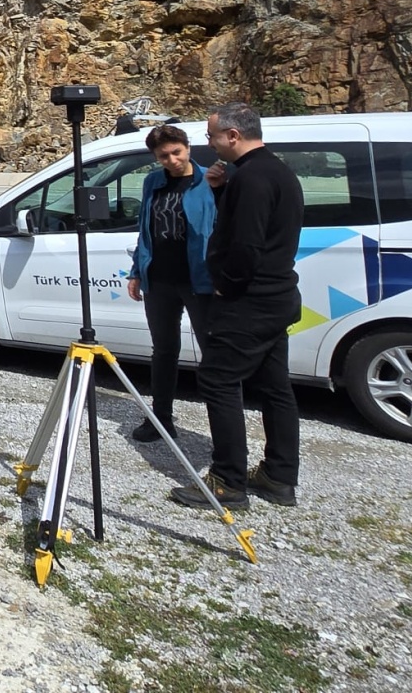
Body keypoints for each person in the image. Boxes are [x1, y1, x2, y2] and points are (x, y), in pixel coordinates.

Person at [169, 102, 303, 511]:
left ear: (232, 135)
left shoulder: (254, 179)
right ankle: (279, 476)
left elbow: (246, 244)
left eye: (211, 136)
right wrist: (223, 189)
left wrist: (226, 286)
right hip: (277, 297)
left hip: (250, 301)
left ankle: (227, 481)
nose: (207, 144)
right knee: (275, 386)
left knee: (218, 380)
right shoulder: (275, 171)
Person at [126, 124, 214, 443]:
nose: (172, 160)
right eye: (163, 156)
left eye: (176, 152)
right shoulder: (154, 182)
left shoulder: (210, 180)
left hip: (199, 280)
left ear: (188, 148)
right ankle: (161, 419)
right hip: (160, 280)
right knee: (164, 350)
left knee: (213, 353)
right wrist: (137, 271)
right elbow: (145, 230)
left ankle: (223, 425)